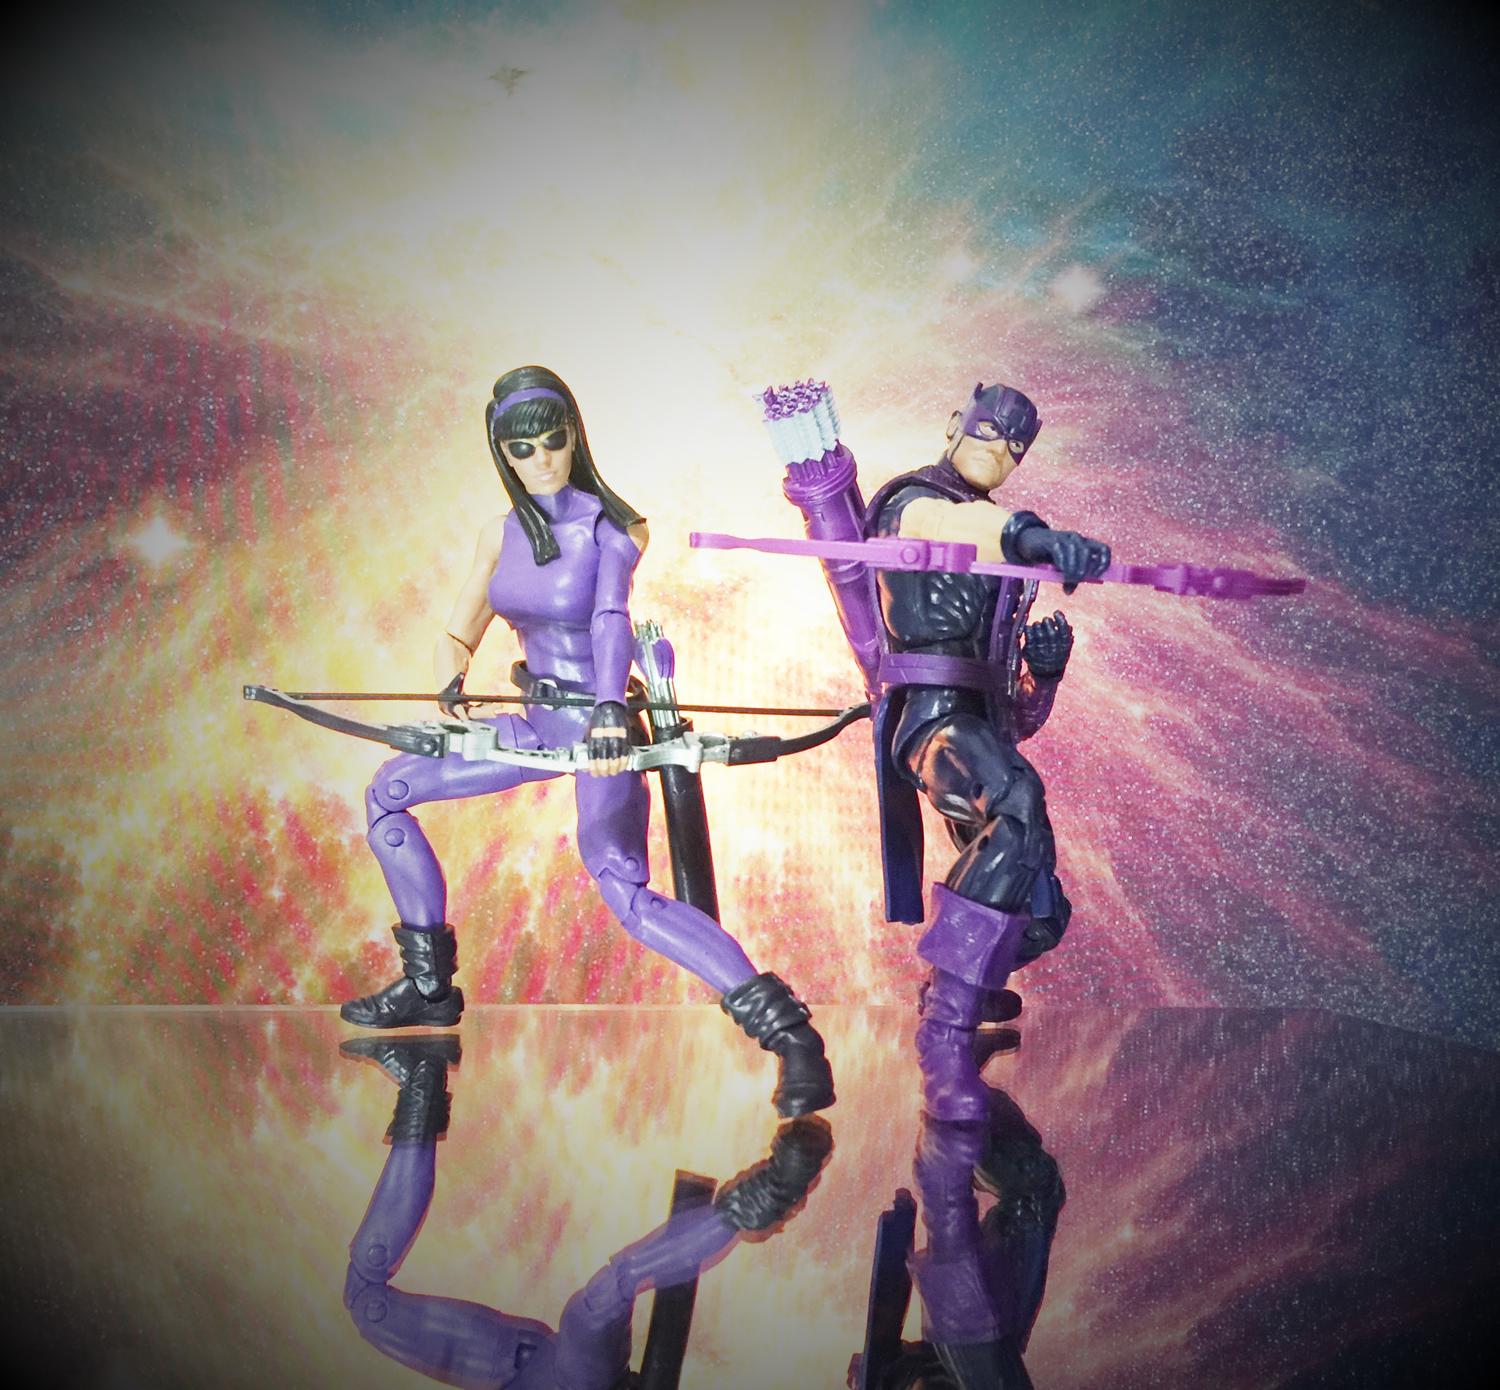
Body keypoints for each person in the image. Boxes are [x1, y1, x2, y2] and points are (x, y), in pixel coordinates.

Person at [341, 366, 834, 1117]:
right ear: (502, 453)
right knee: (389, 792)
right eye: (522, 449)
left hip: (600, 733)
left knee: (621, 884)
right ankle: (429, 985)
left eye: (553, 441)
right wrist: (450, 685)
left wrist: (608, 712)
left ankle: (791, 1037)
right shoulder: (500, 533)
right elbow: (458, 629)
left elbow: (611, 620)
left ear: (574, 436)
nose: (541, 459)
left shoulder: (612, 528)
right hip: (534, 727)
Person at [863, 382, 1111, 1121]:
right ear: (954, 424)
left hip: (979, 729)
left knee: (1043, 914)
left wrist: (1045, 676)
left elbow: (1017, 719)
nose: (999, 450)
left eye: (1016, 445)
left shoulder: (999, 556)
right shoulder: (910, 503)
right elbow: (958, 526)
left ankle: (960, 986)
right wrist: (1034, 538)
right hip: (930, 720)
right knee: (1017, 801)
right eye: (988, 430)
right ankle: (946, 1027)